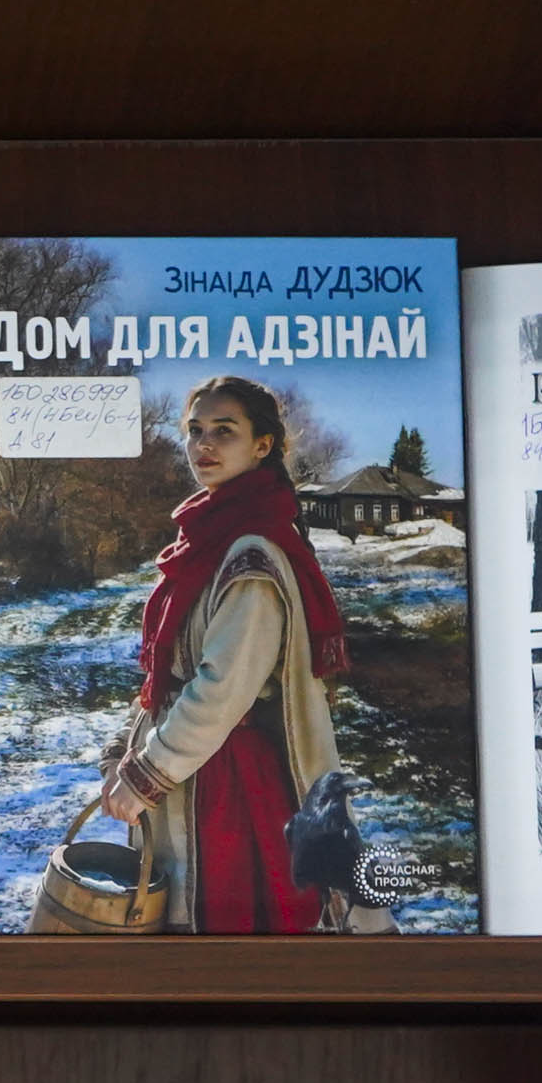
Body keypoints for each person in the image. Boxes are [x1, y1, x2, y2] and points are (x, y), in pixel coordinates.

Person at [97, 378, 350, 933]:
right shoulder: (204, 540)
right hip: (190, 768)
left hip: (229, 791)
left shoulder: (250, 553)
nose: (203, 444)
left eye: (224, 431)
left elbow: (222, 688)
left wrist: (144, 775)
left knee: (227, 936)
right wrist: (124, 749)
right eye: (195, 430)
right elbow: (166, 672)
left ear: (262, 445)